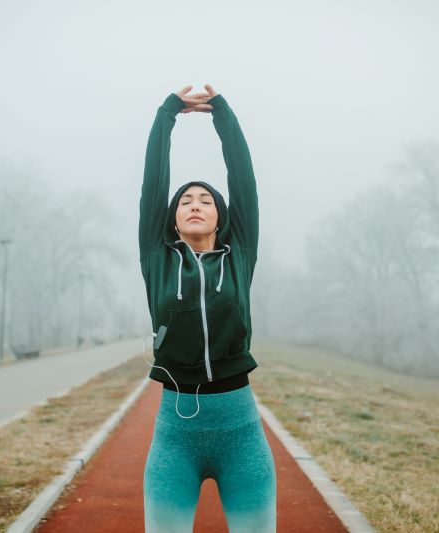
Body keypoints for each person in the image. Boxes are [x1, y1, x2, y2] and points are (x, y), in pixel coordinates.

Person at [139, 84, 276, 532]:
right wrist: (167, 115)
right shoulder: (158, 260)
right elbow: (152, 184)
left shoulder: (239, 256)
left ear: (221, 215)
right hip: (175, 436)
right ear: (173, 217)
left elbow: (244, 181)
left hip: (240, 432)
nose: (194, 205)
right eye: (185, 201)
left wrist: (223, 116)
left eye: (205, 201)